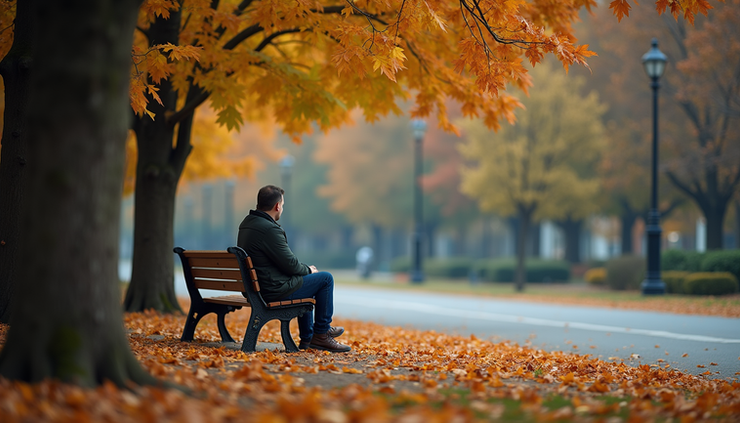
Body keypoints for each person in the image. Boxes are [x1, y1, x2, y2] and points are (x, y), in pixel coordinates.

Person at [237, 185, 351, 353]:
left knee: (305, 281)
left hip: (257, 287)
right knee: (325, 279)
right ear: (277, 206)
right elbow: (290, 264)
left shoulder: (247, 224)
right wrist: (309, 270)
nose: (282, 208)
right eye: (282, 205)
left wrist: (303, 271)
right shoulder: (269, 229)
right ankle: (321, 334)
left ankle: (309, 337)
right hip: (271, 289)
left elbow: (281, 263)